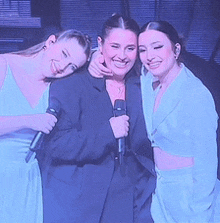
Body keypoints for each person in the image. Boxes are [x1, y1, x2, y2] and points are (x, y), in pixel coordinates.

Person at [38, 14, 156, 223]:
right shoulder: (72, 83)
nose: (122, 55)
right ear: (100, 44)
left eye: (130, 48)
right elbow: (55, 145)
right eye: (115, 46)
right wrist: (107, 133)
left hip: (129, 203)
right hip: (79, 204)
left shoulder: (144, 87)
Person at [0, 29, 91, 223]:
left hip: (26, 179)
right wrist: (28, 120)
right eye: (64, 54)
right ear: (51, 42)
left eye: (72, 66)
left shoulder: (56, 87)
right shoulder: (4, 65)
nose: (63, 67)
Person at [139, 21, 219, 222]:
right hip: (160, 192)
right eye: (143, 49)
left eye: (157, 47)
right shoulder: (149, 81)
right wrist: (96, 55)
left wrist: (200, 211)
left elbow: (206, 163)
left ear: (175, 49)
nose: (149, 56)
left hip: (190, 193)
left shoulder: (195, 94)